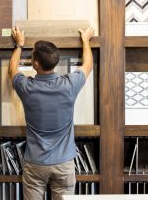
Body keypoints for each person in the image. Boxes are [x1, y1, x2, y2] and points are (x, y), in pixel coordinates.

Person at [8, 26, 95, 200]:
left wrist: (19, 45)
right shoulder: (70, 84)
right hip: (64, 164)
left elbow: (12, 70)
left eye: (32, 55)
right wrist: (85, 40)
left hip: (35, 163)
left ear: (36, 64)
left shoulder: (27, 87)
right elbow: (88, 65)